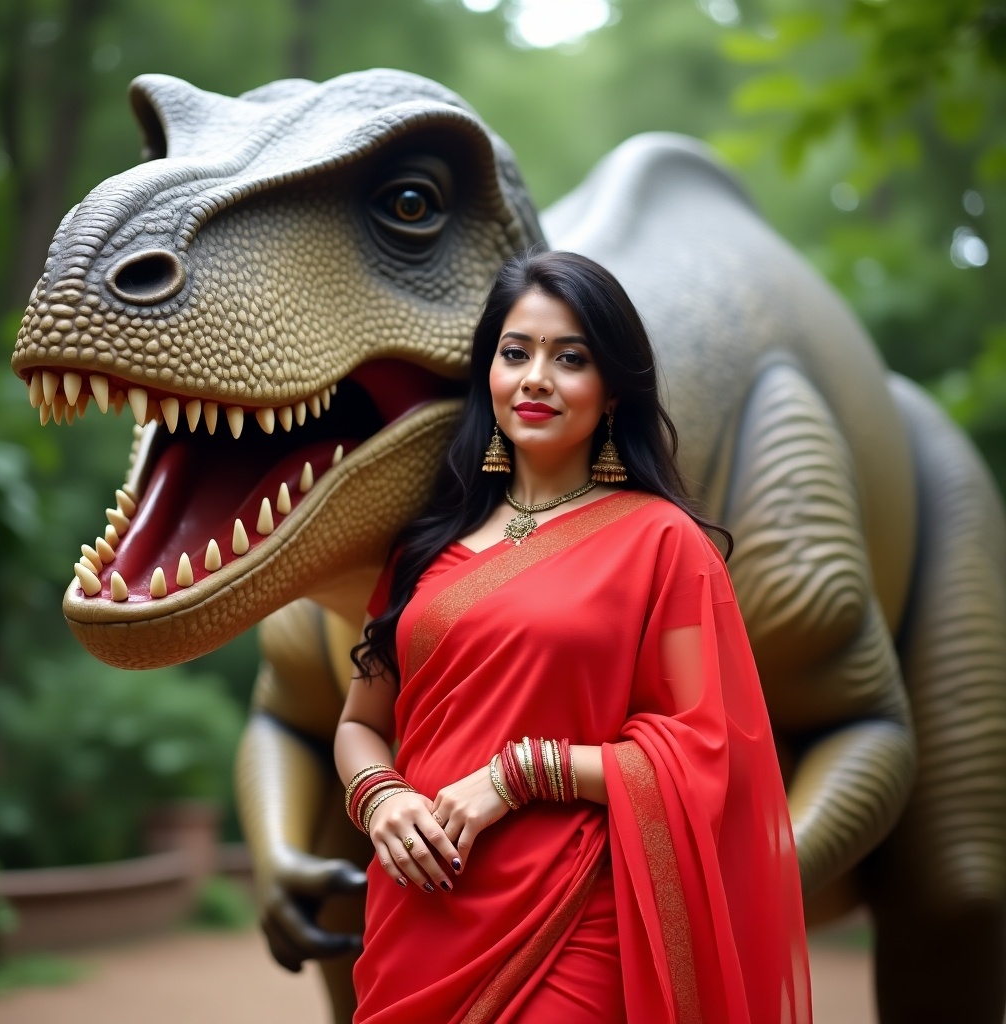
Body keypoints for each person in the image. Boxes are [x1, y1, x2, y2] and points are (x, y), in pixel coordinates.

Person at [334, 249, 812, 1023]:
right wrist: (379, 796)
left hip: (570, 915)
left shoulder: (662, 544)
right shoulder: (425, 547)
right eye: (515, 353)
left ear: (614, 389)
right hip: (418, 908)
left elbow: (702, 748)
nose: (536, 379)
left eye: (571, 358)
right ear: (488, 373)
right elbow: (362, 723)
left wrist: (520, 773)